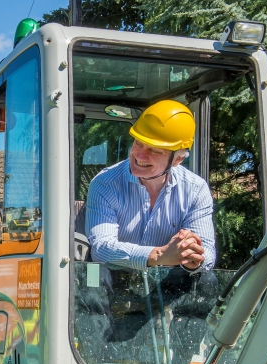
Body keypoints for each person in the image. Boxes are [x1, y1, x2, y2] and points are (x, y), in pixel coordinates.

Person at [85, 100, 215, 273]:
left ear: (178, 159)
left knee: (207, 280)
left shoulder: (195, 189)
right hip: (112, 281)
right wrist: (159, 255)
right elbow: (101, 249)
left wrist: (192, 257)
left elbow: (208, 252)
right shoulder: (105, 183)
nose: (140, 156)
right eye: (138, 143)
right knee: (98, 276)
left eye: (154, 150)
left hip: (166, 284)